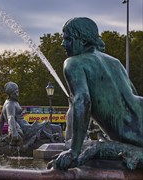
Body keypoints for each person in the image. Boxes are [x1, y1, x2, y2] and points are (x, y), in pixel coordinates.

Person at [54, 17, 143, 170]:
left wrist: (73, 151)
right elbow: (131, 95)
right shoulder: (115, 62)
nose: (63, 44)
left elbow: (83, 101)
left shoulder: (74, 63)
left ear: (82, 41)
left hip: (131, 135)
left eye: (67, 39)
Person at [0, 82, 63, 147]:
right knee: (56, 128)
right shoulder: (10, 104)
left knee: (55, 128)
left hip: (27, 126)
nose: (17, 94)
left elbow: (1, 121)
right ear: (10, 94)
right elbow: (10, 118)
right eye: (15, 93)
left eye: (18, 92)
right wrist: (14, 132)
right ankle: (61, 147)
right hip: (25, 130)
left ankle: (60, 144)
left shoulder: (11, 102)